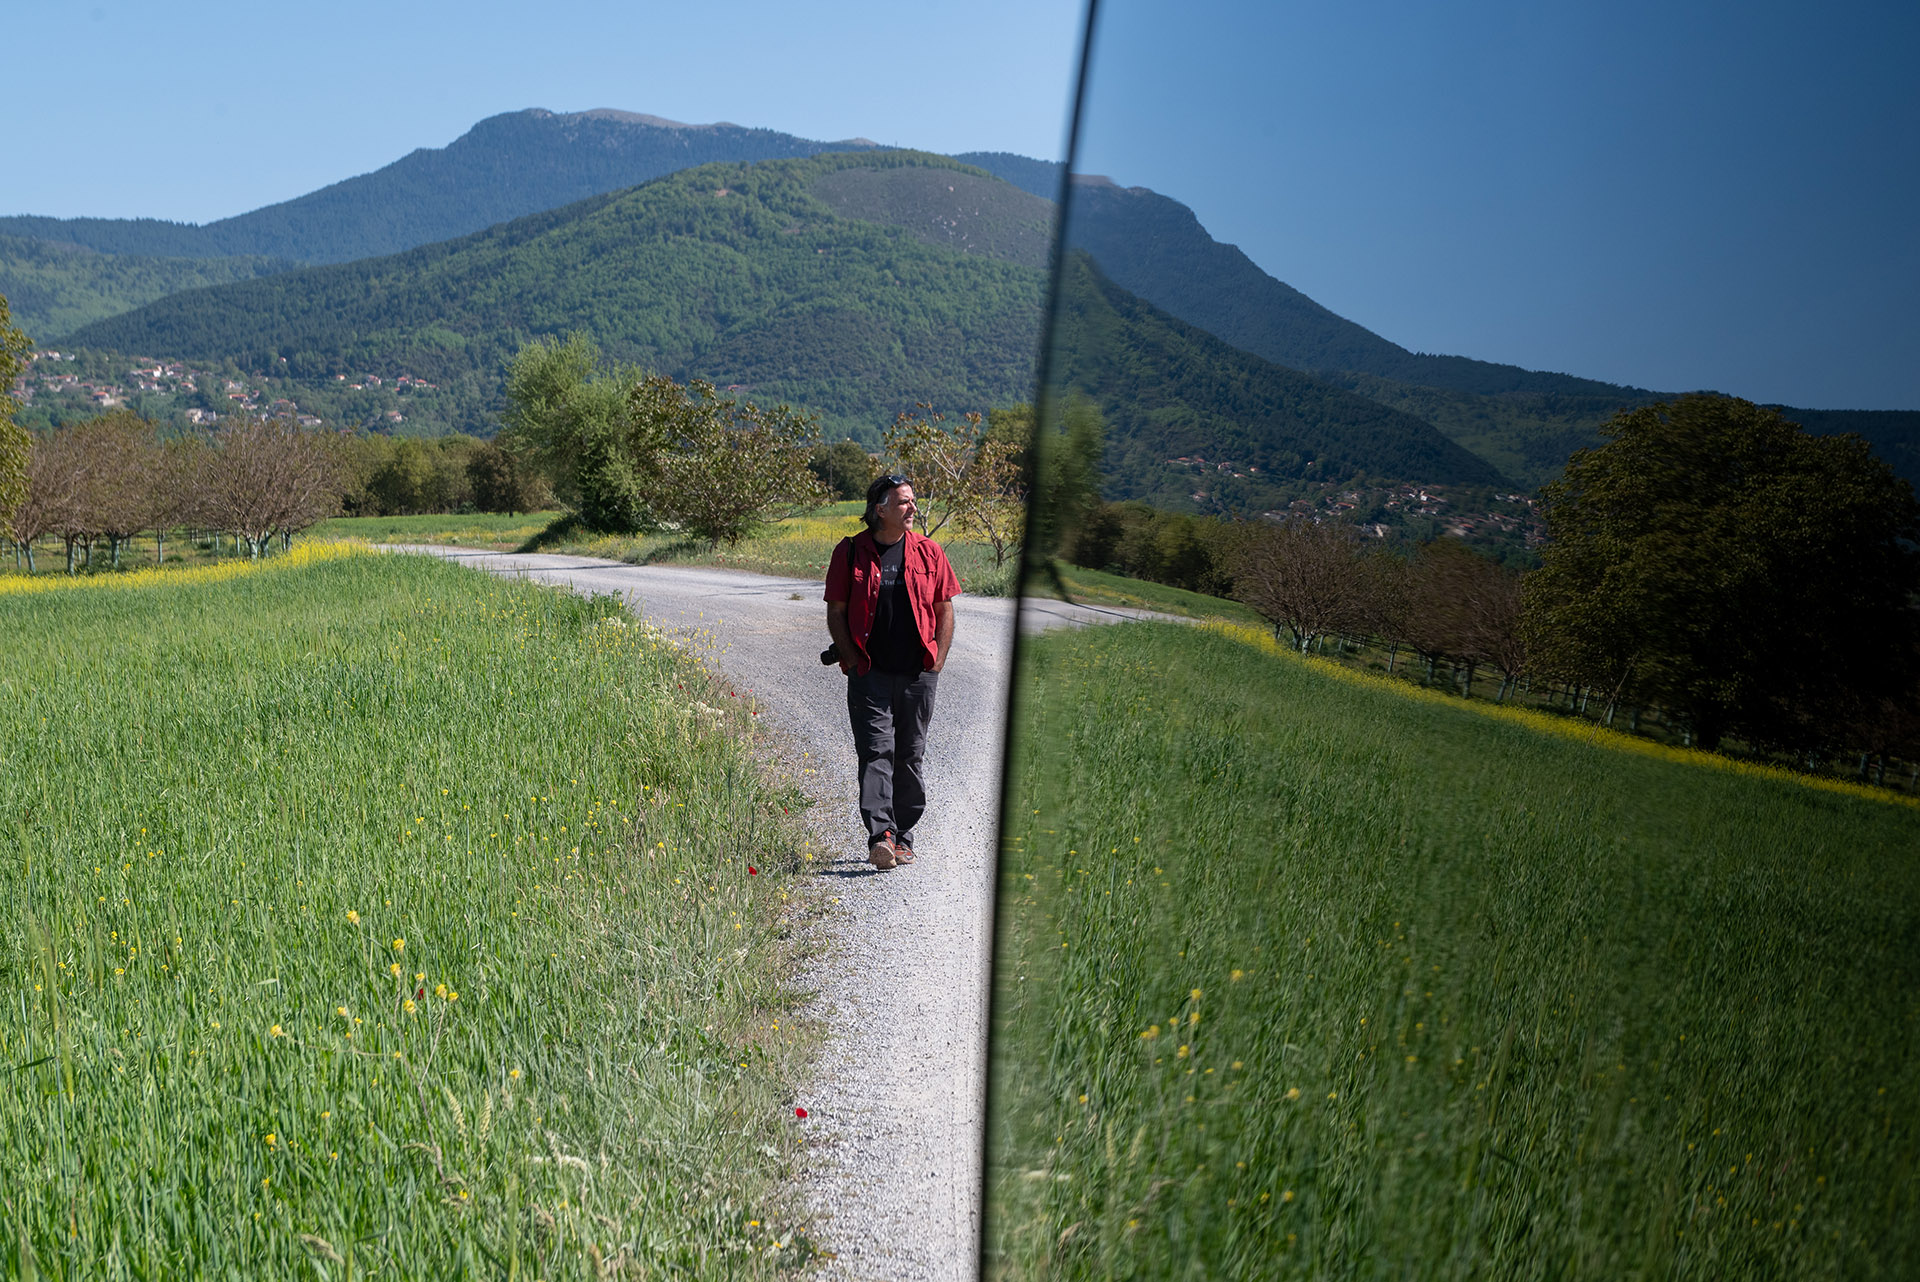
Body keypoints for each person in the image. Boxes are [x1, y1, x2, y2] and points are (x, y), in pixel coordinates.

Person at [824, 474, 960, 870]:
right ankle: (881, 836)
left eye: (912, 501)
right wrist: (850, 657)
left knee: (910, 755)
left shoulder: (930, 552)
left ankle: (903, 836)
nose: (912, 508)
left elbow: (944, 609)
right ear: (879, 509)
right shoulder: (850, 552)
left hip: (918, 674)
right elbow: (836, 609)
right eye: (904, 502)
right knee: (876, 752)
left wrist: (937, 660)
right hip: (870, 672)